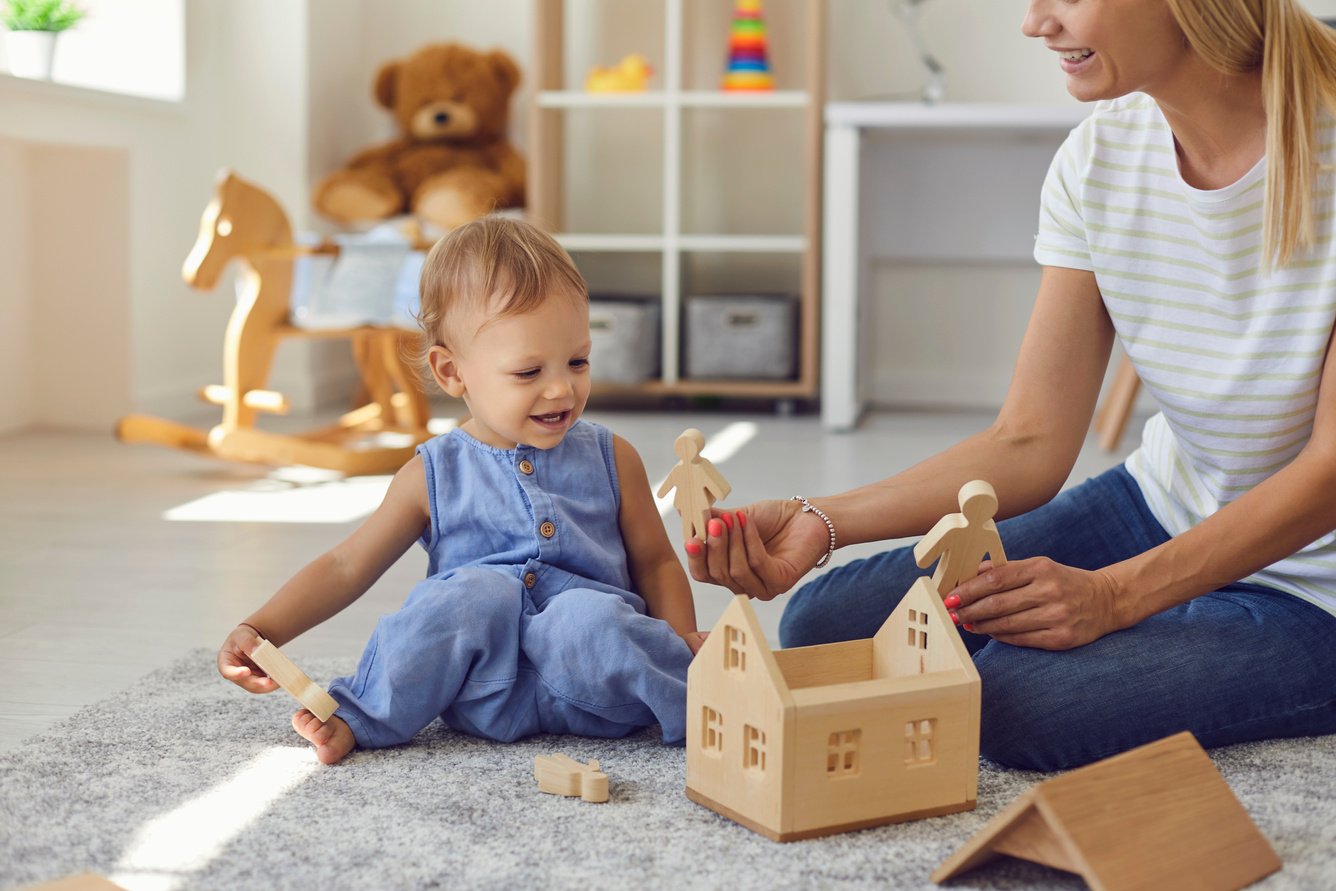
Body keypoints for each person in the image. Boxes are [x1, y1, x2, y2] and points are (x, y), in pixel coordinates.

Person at [688, 0, 1336, 772]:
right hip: (1166, 504)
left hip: (1316, 586)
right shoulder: (1099, 158)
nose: (1036, 24)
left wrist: (1117, 598)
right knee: (831, 623)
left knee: (1011, 699)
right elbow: (1028, 440)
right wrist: (821, 518)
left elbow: (1327, 475)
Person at [218, 216, 704, 764]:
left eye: (578, 361)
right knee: (466, 597)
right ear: (452, 372)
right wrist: (262, 629)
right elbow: (345, 566)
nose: (561, 387)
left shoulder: (612, 457)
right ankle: (362, 716)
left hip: (599, 686)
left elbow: (656, 562)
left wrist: (679, 639)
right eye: (527, 372)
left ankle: (703, 703)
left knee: (587, 615)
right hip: (480, 691)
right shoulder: (432, 473)